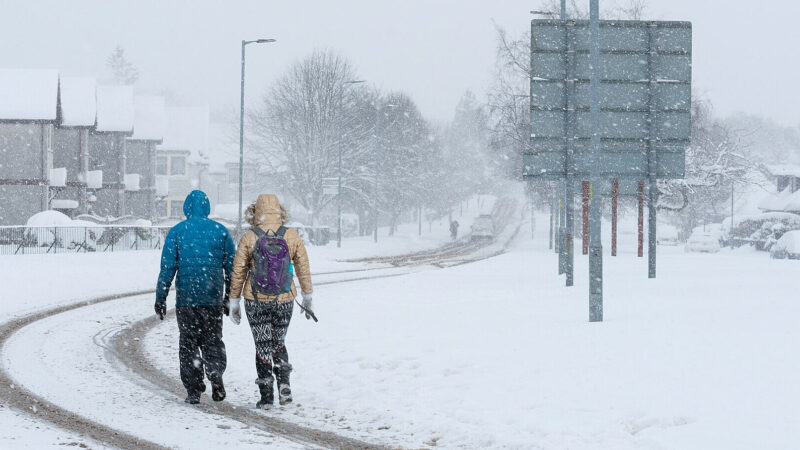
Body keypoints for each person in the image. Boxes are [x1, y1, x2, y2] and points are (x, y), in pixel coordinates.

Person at [228, 194, 314, 409]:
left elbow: (238, 271)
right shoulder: (291, 235)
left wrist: (234, 300)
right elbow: (303, 267)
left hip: (255, 299)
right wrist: (308, 296)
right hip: (284, 299)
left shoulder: (250, 236)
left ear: (255, 211)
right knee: (279, 342)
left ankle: (266, 396)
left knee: (262, 345)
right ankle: (284, 385)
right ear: (280, 210)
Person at [155, 190, 235, 405]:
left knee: (188, 343)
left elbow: (167, 268)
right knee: (213, 340)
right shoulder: (221, 231)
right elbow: (232, 268)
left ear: (186, 208)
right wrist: (229, 296)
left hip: (187, 299)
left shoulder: (177, 232)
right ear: (207, 207)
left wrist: (161, 297)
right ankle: (215, 372)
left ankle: (193, 388)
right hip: (212, 298)